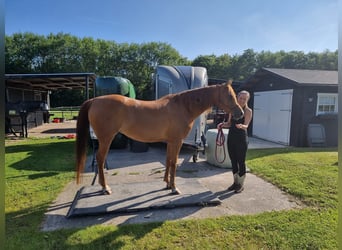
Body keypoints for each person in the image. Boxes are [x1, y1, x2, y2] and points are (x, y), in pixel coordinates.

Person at [218, 90, 252, 193]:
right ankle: (235, 182)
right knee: (233, 160)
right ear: (237, 98)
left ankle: (241, 184)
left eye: (244, 99)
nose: (242, 100)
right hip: (231, 137)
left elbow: (246, 125)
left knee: (240, 161)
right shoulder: (232, 110)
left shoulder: (248, 111)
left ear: (247, 100)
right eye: (240, 98)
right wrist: (222, 125)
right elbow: (229, 123)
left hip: (241, 138)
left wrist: (242, 126)